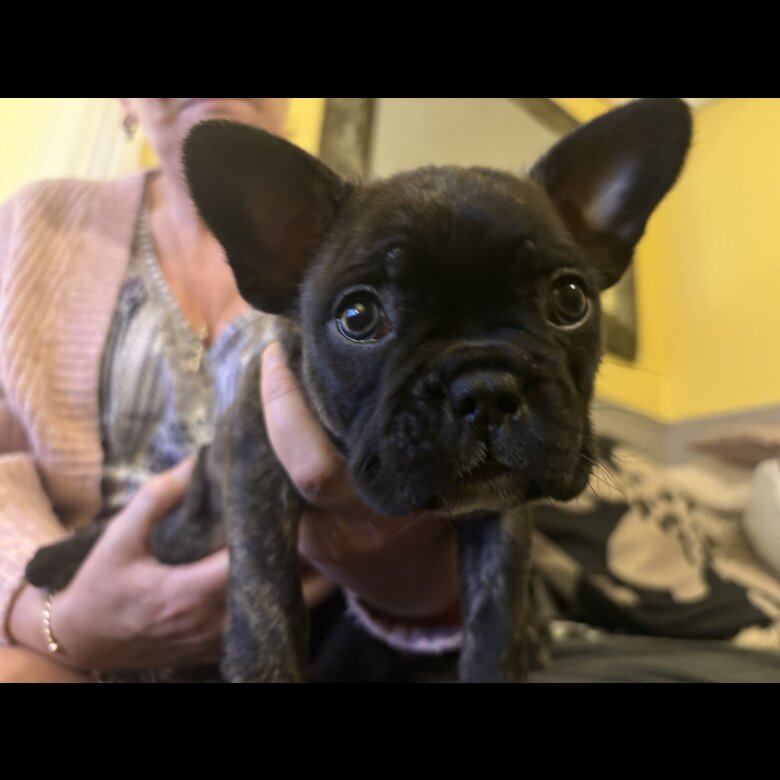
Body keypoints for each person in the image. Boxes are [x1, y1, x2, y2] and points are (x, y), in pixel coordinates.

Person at [0, 98, 460, 682]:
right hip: (62, 617)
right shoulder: (35, 225)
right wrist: (55, 621)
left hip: (321, 631)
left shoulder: (381, 239)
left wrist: (395, 564)